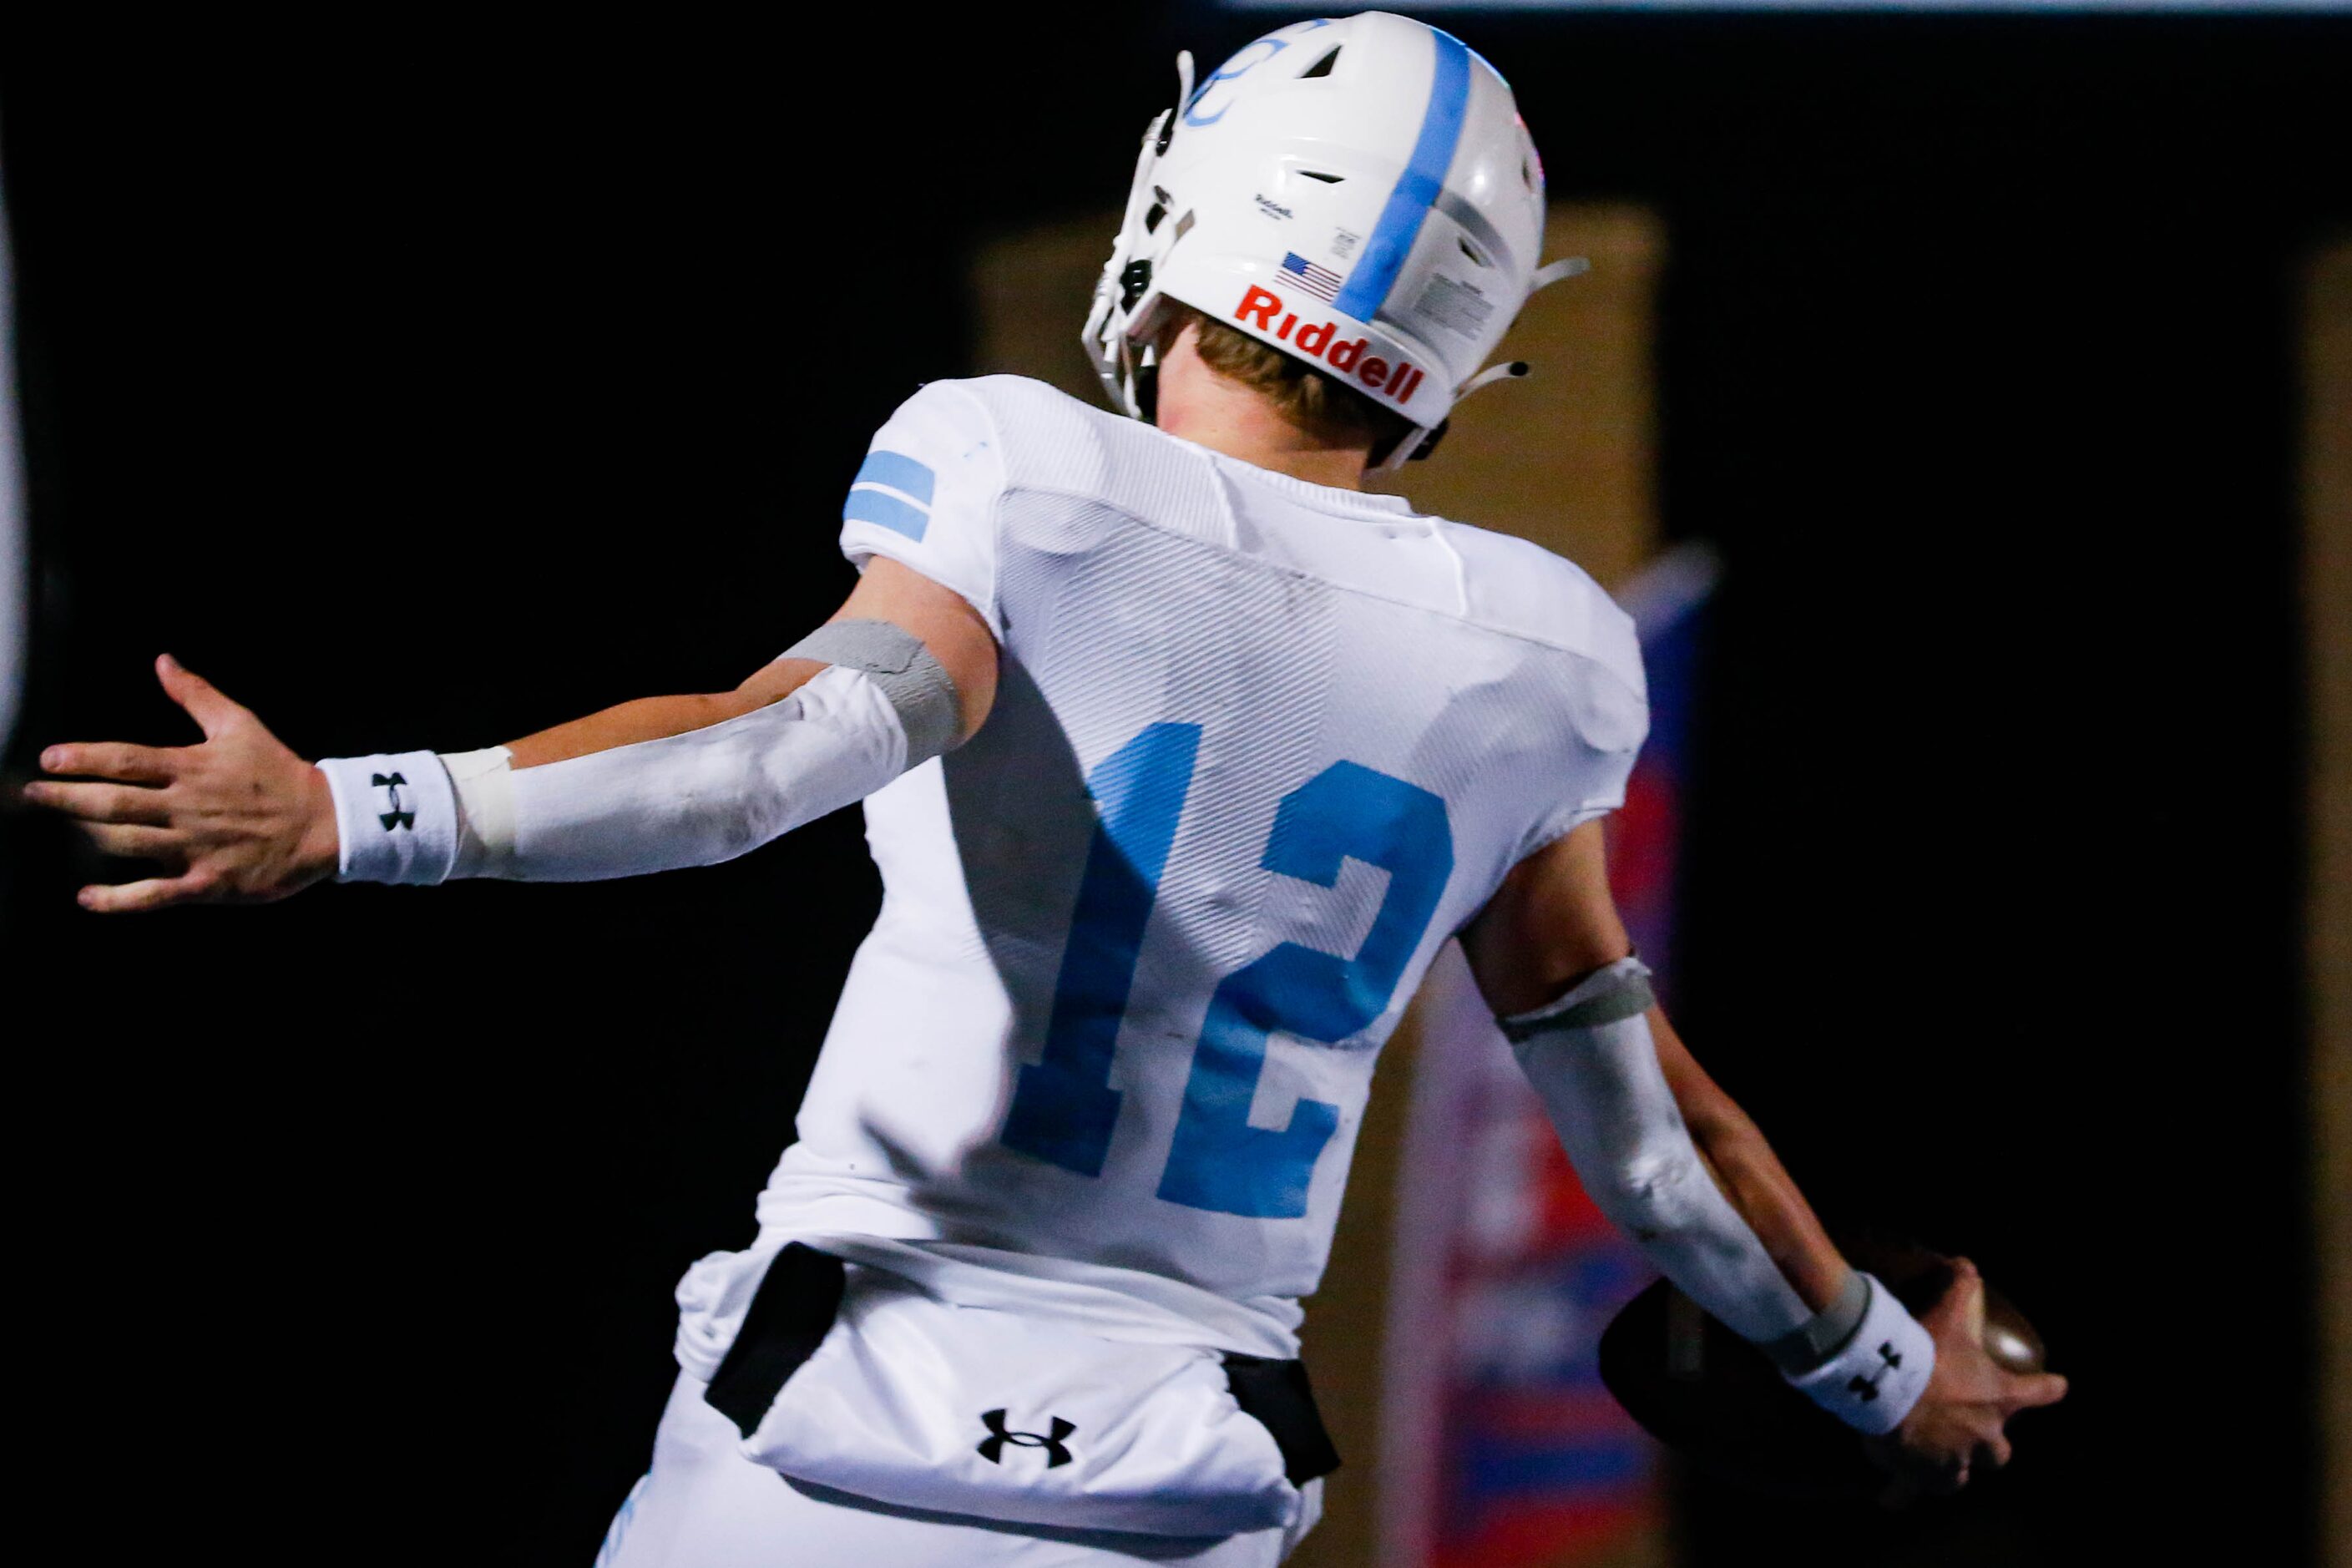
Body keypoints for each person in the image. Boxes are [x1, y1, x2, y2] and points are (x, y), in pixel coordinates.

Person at [23, 14, 2064, 1565]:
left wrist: (348, 816)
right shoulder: (1539, 647)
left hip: (828, 1424)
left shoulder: (1025, 471)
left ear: (1182, 211)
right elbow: (1646, 1139)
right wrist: (1884, 1373)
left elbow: (772, 754)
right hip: (1186, 1476)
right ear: (1456, 345)